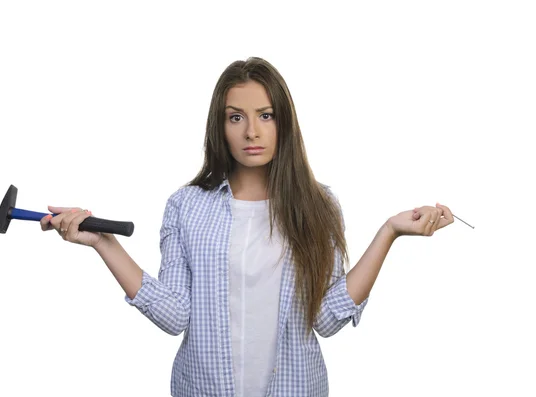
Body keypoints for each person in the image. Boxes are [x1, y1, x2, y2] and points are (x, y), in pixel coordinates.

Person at [40, 57, 454, 397]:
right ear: (219, 127)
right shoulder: (186, 206)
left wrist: (389, 233)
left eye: (265, 115)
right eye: (236, 117)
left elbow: (327, 319)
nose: (251, 131)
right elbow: (175, 316)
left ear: (283, 123)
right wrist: (104, 244)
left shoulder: (319, 204)